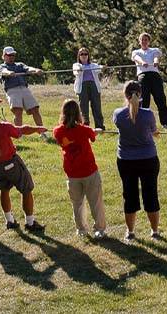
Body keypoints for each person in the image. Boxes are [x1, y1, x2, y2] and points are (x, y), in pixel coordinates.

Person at [0, 94, 47, 231]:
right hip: (11, 163)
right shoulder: (2, 127)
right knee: (27, 189)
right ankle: (30, 223)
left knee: (4, 189)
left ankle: (9, 221)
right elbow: (21, 130)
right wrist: (37, 129)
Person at [113, 80, 161, 240]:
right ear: (140, 95)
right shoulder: (148, 114)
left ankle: (130, 232)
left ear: (125, 95)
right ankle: (154, 232)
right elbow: (153, 131)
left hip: (126, 160)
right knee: (151, 194)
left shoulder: (118, 114)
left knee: (129, 195)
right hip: (148, 159)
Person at [53, 99, 106, 238]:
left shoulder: (57, 131)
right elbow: (92, 136)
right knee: (96, 202)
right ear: (78, 113)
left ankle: (81, 229)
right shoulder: (85, 130)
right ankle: (99, 229)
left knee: (77, 204)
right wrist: (96, 131)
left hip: (72, 174)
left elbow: (62, 140)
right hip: (89, 171)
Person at [0, 46, 48, 140]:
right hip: (12, 90)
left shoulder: (19, 65)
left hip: (24, 89)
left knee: (35, 109)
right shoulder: (2, 66)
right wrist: (9, 73)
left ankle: (42, 133)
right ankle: (18, 134)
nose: (11, 57)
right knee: (18, 111)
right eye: (9, 55)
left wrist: (36, 70)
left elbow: (28, 68)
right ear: (4, 56)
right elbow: (3, 71)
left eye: (13, 55)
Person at [131, 33, 167, 128]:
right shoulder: (136, 52)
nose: (144, 41)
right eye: (142, 40)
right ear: (139, 41)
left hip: (155, 76)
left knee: (160, 99)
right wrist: (143, 62)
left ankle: (165, 123)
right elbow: (137, 59)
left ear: (149, 41)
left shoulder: (154, 50)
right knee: (144, 100)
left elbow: (156, 57)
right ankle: (144, 123)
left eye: (146, 40)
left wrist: (156, 61)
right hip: (143, 77)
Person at [72, 47, 104, 130]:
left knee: (96, 106)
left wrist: (102, 67)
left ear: (88, 55)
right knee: (83, 107)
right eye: (81, 54)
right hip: (82, 87)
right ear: (79, 56)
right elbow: (76, 72)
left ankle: (99, 126)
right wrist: (80, 69)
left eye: (85, 54)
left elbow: (99, 68)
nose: (84, 56)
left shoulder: (93, 65)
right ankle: (85, 126)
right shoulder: (76, 65)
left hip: (93, 86)